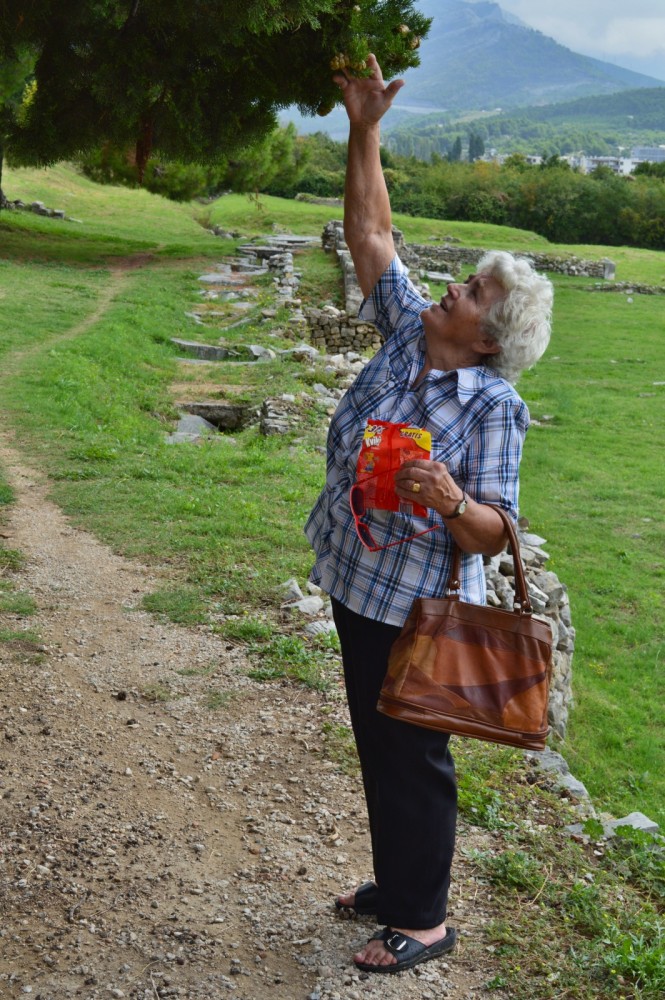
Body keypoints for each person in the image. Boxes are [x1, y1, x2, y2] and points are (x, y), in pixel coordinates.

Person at [305, 54, 553, 974]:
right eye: (467, 279)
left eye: (474, 292)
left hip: (413, 603)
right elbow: (370, 233)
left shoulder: (492, 408)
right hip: (355, 575)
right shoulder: (410, 329)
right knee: (378, 738)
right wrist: (364, 129)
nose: (454, 285)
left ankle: (425, 919)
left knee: (411, 751)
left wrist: (452, 499)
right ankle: (395, 882)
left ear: (486, 340)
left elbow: (497, 531)